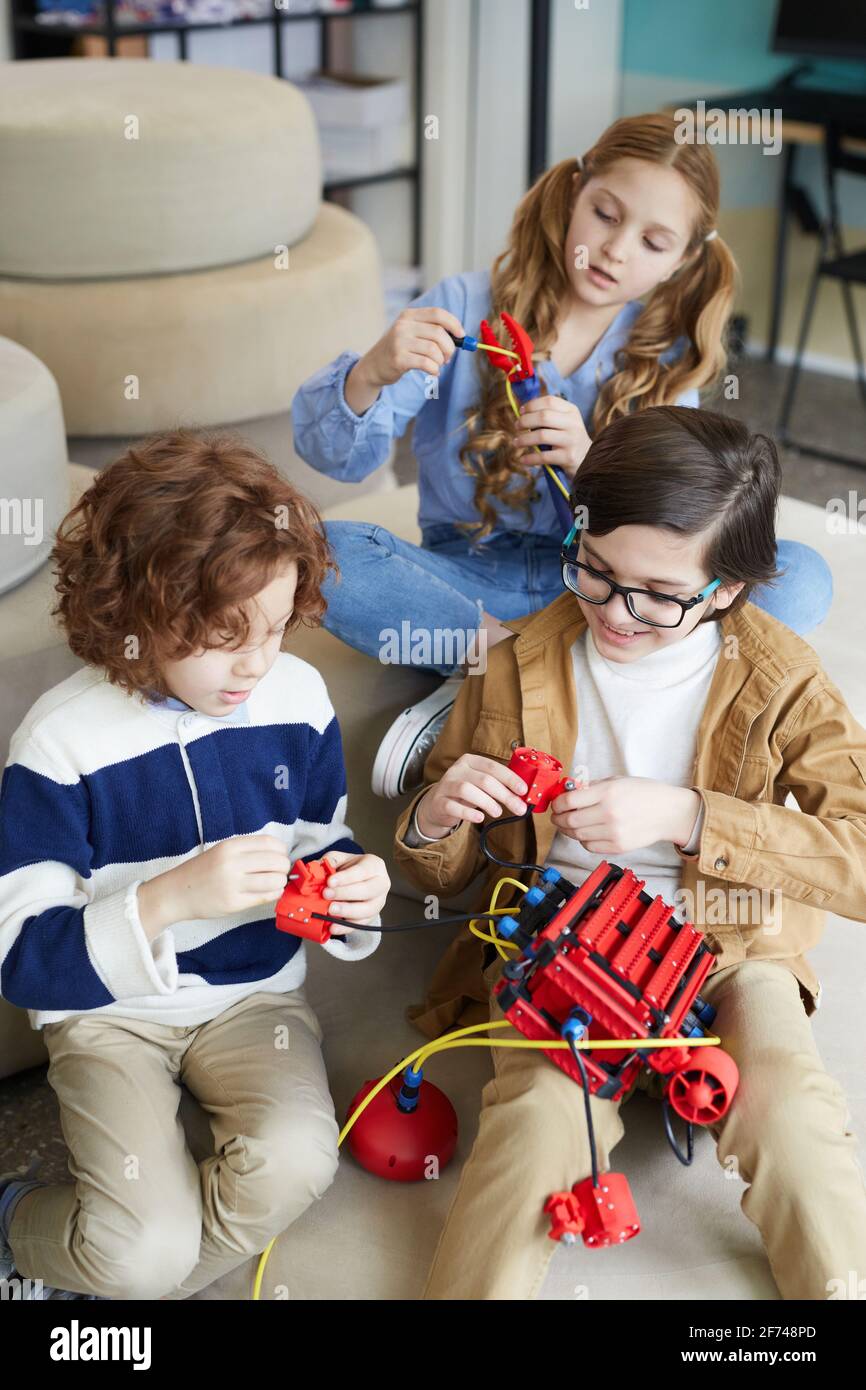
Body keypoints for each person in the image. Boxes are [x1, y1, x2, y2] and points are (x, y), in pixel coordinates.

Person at [392, 406, 866, 1300]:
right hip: (561, 947)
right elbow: (438, 868)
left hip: (726, 944)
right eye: (596, 572)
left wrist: (692, 817)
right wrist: (434, 817)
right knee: (535, 1128)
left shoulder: (783, 676)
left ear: (725, 589)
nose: (616, 612)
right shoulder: (516, 662)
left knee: (794, 1121)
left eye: (656, 594)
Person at [291, 113, 833, 798]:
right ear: (574, 192)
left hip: (604, 589)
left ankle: (501, 688)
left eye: (653, 241)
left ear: (685, 259)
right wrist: (370, 372)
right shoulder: (463, 305)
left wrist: (593, 467)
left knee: (802, 577)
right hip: (469, 578)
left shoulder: (671, 357)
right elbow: (332, 457)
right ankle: (537, 676)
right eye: (604, 214)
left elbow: (682, 519)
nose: (614, 250)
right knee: (326, 552)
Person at [0, 431, 389, 1301]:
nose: (255, 664)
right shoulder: (59, 745)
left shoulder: (295, 698)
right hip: (109, 1016)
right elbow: (23, 957)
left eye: (279, 629)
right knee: (140, 1249)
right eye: (222, 637)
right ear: (131, 615)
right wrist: (170, 898)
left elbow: (320, 842)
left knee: (294, 1166)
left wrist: (354, 885)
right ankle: (19, 1223)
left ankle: (118, 1275)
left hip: (255, 1001)